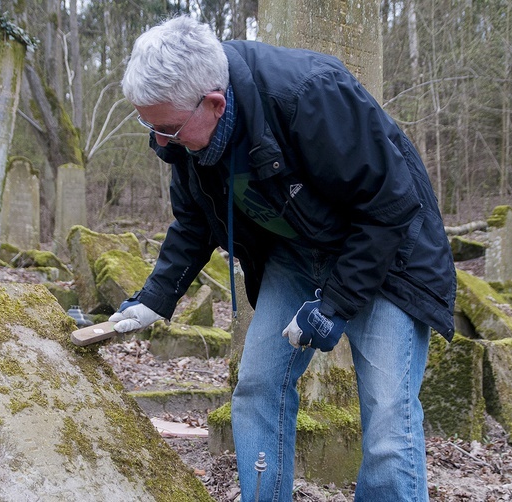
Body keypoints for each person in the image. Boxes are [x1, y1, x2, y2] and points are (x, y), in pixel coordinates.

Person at [110, 15, 456, 502]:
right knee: (257, 387)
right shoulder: (188, 141)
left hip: (388, 255)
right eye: (149, 124)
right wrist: (154, 298)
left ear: (214, 103)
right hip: (297, 254)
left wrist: (334, 306)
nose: (159, 141)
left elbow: (392, 206)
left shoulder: (310, 94)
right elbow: (193, 222)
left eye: (165, 127)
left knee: (387, 419)